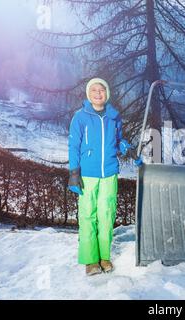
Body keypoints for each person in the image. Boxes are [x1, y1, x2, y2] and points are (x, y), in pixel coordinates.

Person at [68, 78, 142, 276]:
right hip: (87, 174)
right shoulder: (80, 117)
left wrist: (126, 147)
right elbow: (74, 146)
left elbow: (117, 141)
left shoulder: (113, 117)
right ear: (88, 93)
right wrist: (74, 173)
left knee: (106, 215)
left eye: (102, 89)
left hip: (109, 173)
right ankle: (90, 260)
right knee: (87, 216)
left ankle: (104, 257)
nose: (98, 93)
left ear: (107, 93)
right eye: (94, 90)